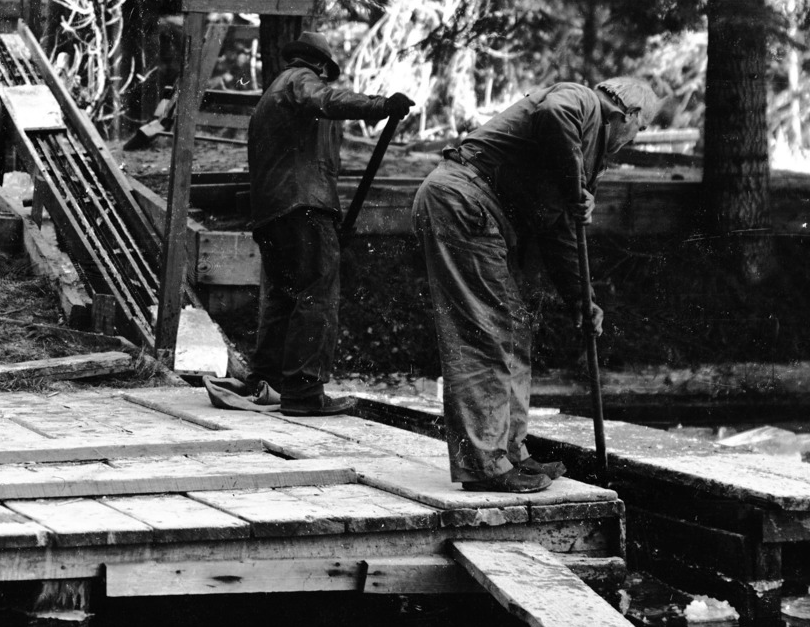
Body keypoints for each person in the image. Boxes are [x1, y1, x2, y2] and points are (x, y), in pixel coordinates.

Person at [411, 75, 661, 492]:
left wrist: (583, 300)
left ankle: (510, 452)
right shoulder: (581, 101)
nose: (632, 141)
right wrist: (574, 183)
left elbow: (563, 235)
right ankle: (484, 464)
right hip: (461, 202)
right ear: (627, 114)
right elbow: (552, 113)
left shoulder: (586, 157)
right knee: (485, 331)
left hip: (477, 214)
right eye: (639, 130)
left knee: (514, 327)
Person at [241, 31, 415, 416]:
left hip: (274, 211)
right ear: (319, 65)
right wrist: (381, 105)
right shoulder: (301, 82)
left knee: (285, 297)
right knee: (317, 294)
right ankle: (303, 392)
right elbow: (326, 99)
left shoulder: (272, 95)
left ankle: (264, 381)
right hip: (303, 206)